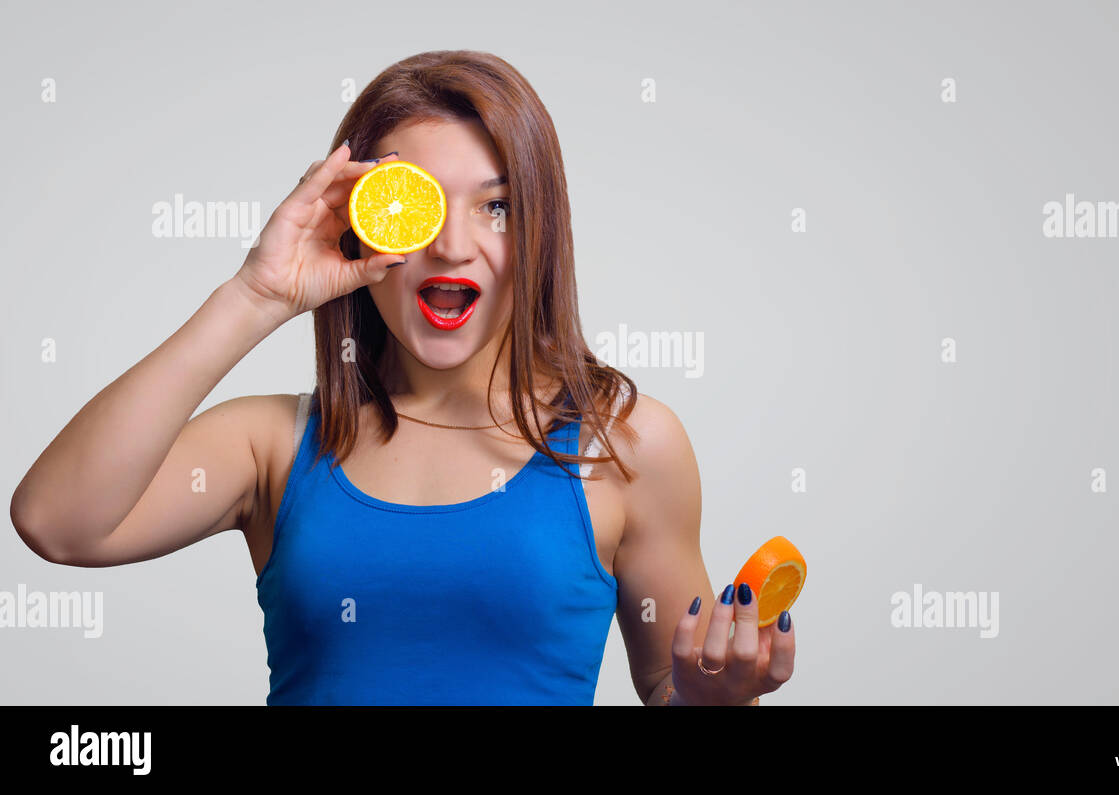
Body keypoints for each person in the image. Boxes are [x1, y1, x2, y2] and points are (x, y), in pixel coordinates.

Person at [10, 50, 795, 706]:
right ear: (359, 225)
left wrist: (716, 697)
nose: (454, 248)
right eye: (416, 207)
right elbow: (56, 521)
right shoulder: (271, 448)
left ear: (542, 234)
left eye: (498, 208)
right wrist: (254, 296)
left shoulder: (626, 444)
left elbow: (670, 682)